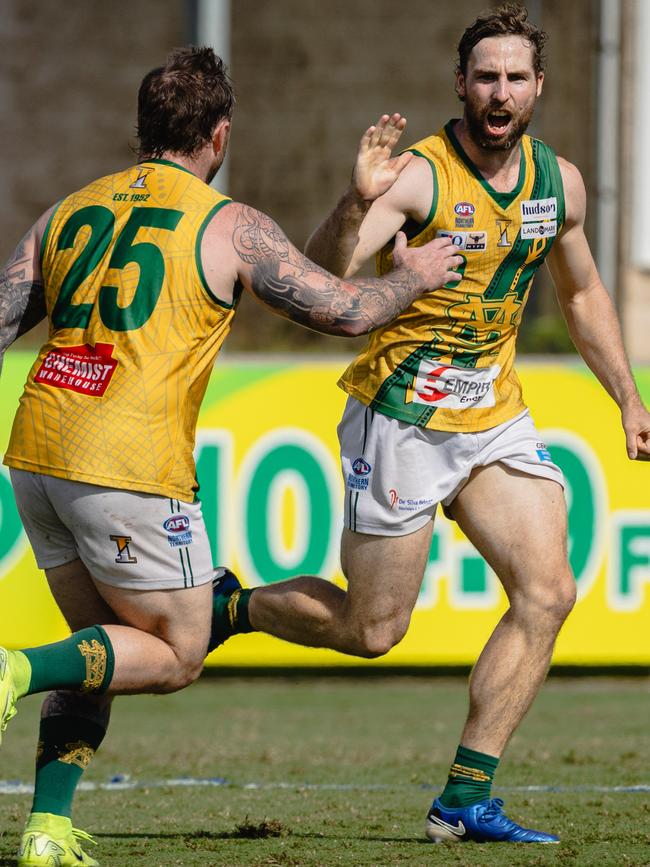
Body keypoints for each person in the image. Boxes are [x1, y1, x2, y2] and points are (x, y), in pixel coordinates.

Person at [0, 47, 463, 866]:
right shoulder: (228, 223)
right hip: (128, 461)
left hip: (37, 447)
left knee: (103, 648)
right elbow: (345, 311)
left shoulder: (68, 211)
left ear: (142, 128)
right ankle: (11, 668)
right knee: (177, 654)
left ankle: (44, 828)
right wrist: (414, 277)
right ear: (218, 136)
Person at [208, 2, 650, 845]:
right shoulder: (418, 176)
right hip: (403, 416)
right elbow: (319, 276)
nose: (500, 91)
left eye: (516, 77)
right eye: (486, 76)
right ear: (461, 83)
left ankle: (465, 797)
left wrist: (628, 397)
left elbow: (584, 292)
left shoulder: (559, 184)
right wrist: (353, 201)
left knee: (549, 590)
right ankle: (235, 607)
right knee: (373, 629)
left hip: (492, 416)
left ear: (538, 88)